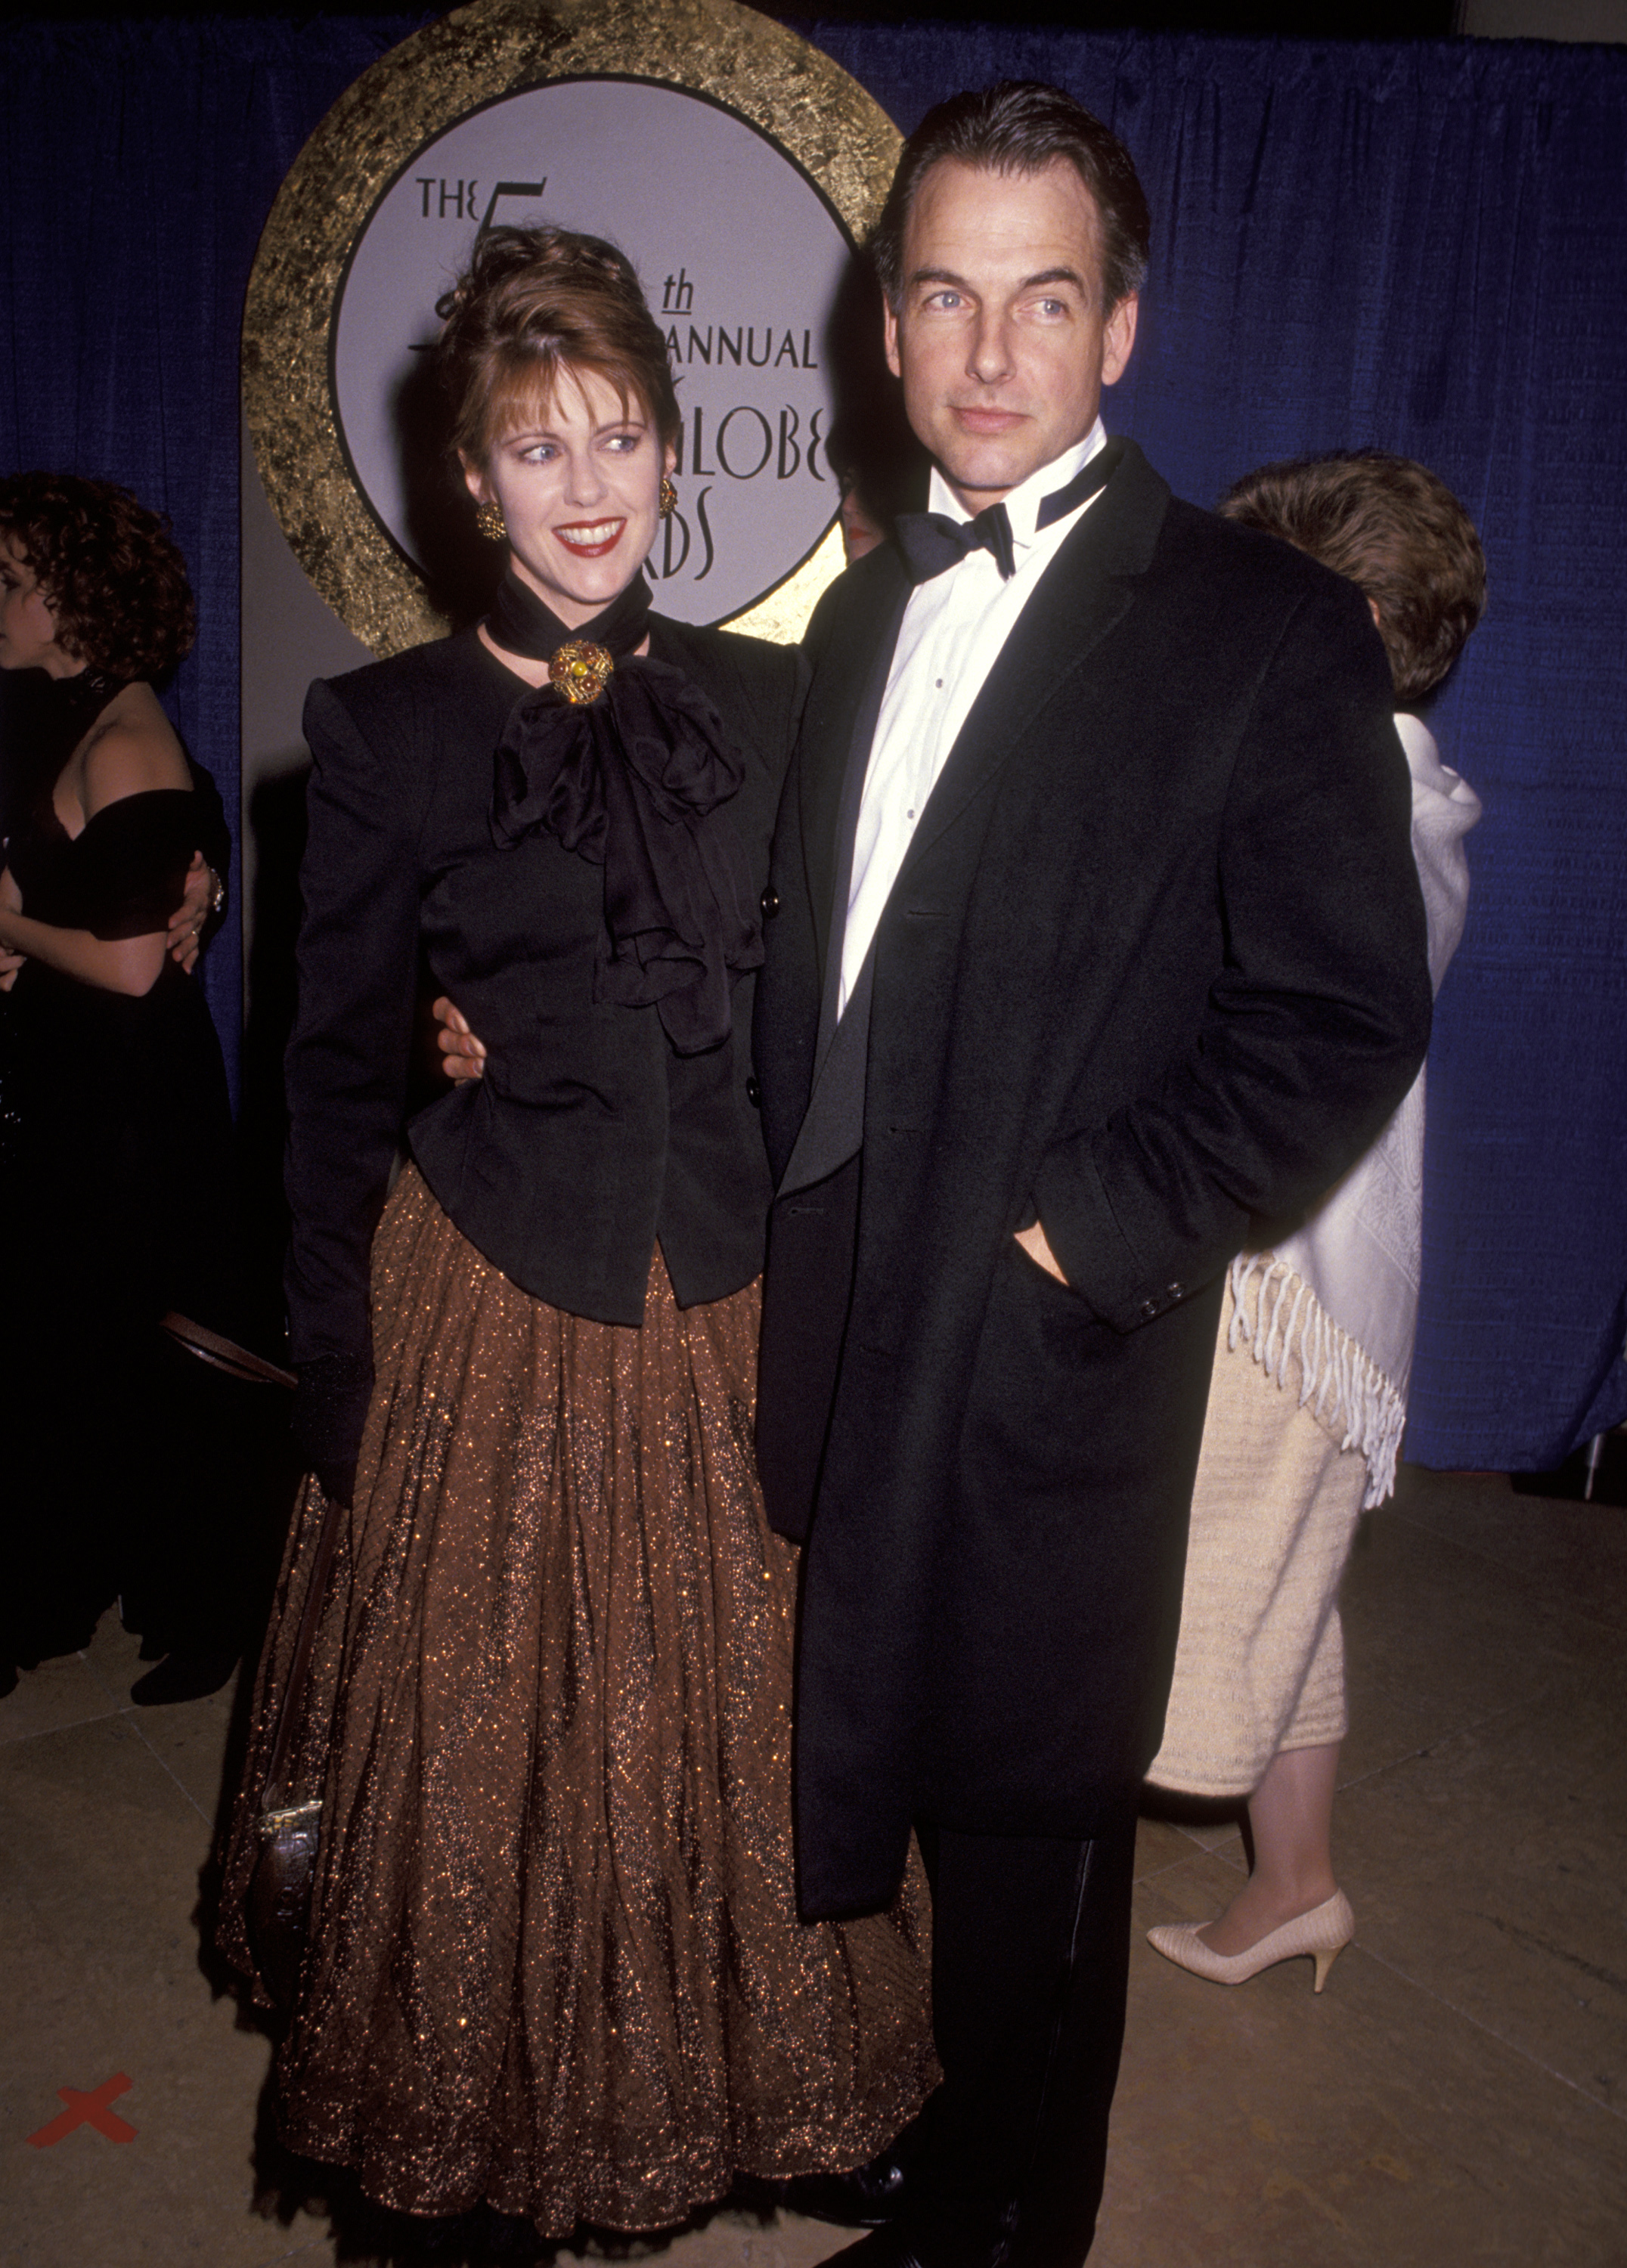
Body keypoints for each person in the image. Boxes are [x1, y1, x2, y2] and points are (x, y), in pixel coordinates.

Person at [746, 83, 1435, 2268]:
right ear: (887, 323)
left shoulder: (1259, 628)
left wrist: (1084, 1239)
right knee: (918, 1764)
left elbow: (1339, 1019)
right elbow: (829, 955)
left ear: (1122, 328)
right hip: (844, 1296)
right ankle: (963, 2152)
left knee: (1034, 1818)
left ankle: (1010, 2220)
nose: (989, 353)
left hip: (1046, 1335)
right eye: (943, 294)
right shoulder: (862, 613)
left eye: (1045, 301)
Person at [214, 225, 935, 2244]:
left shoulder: (782, 707)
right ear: (471, 482)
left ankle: (775, 2085)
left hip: (723, 1279)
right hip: (493, 1279)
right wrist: (336, 1367)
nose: (589, 485)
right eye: (540, 451)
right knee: (479, 1763)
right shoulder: (381, 736)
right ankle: (470, 2135)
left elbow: (827, 1031)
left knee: (739, 1721)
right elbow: (333, 1078)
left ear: (680, 449)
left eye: (621, 435)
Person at [1144, 451, 1486, 1990]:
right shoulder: (1403, 781)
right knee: (1290, 1587)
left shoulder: (1349, 792)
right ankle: (1291, 1886)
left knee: (1162, 1598)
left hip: (1265, 1277)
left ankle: (1014, 1924)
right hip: (1319, 1285)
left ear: (1338, 623)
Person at [0, 472, 246, 1703]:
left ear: (76, 602)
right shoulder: (46, 711)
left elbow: (138, 965)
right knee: (69, 1346)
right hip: (73, 1091)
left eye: (10, 583)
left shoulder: (128, 736)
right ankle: (63, 1587)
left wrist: (11, 926)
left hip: (132, 1106)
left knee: (144, 1354)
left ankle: (197, 1611)